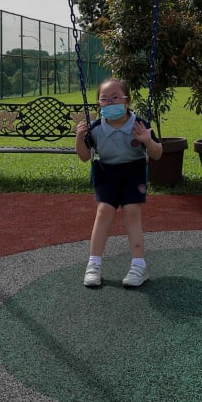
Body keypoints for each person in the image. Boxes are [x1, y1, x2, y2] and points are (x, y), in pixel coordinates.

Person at [76, 78, 163, 288]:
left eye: (115, 97)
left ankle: (138, 265)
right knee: (104, 211)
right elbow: (85, 156)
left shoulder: (140, 124)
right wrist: (79, 138)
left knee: (131, 212)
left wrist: (147, 141)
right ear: (98, 103)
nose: (109, 102)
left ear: (127, 100)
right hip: (106, 172)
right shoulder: (95, 128)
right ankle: (93, 264)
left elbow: (157, 154)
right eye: (104, 99)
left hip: (133, 171)